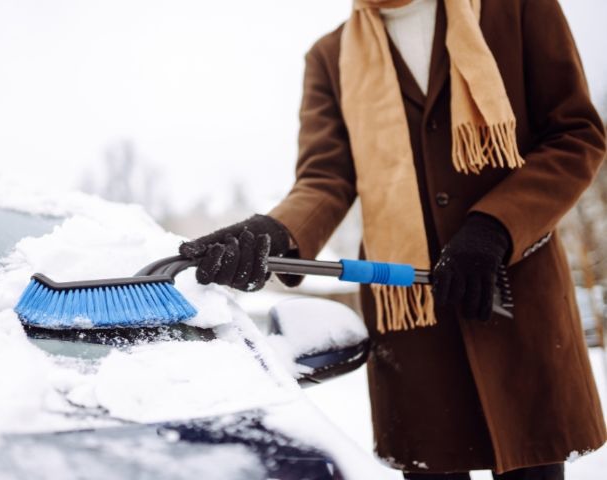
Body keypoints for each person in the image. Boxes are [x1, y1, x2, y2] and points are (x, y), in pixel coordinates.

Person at [179, 0, 606, 478]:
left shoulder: (519, 10)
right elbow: (324, 179)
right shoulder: (330, 56)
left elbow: (575, 136)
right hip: (410, 316)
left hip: (512, 293)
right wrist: (274, 231)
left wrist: (494, 227)